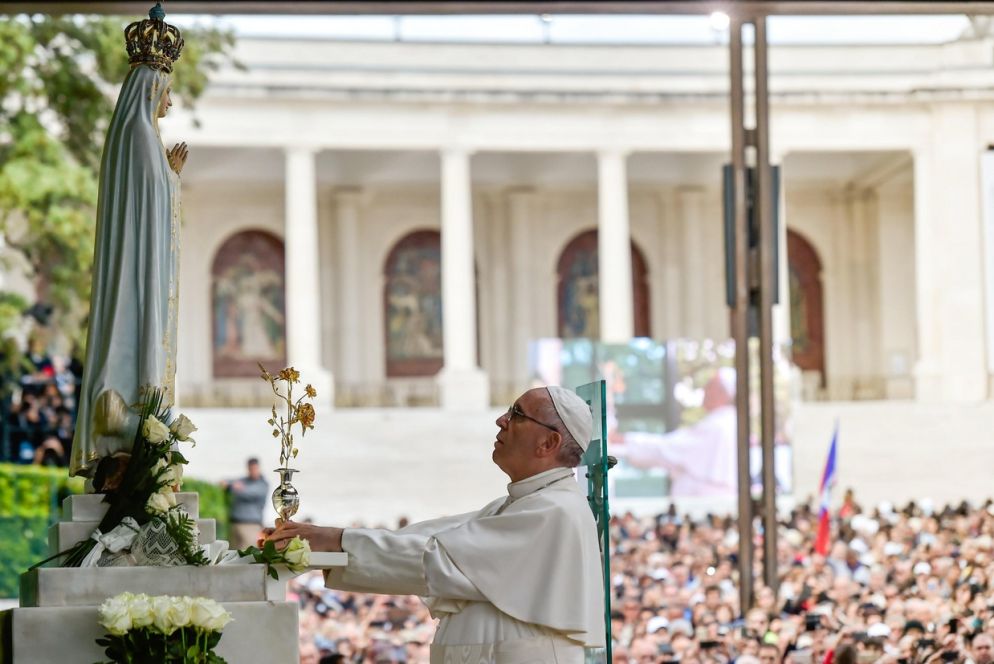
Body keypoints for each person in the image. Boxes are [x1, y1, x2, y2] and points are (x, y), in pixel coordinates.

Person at [268, 386, 606, 663]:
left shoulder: (555, 510)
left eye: (517, 414)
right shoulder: (521, 504)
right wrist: (331, 544)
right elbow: (431, 536)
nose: (501, 420)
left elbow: (439, 557)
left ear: (548, 444)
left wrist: (338, 541)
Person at [70, 4, 188, 484]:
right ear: (152, 88)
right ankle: (129, 436)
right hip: (139, 274)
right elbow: (152, 209)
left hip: (134, 266)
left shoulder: (131, 135)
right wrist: (173, 180)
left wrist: (168, 177)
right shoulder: (141, 136)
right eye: (167, 93)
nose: (170, 104)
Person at [612, 366, 738, 498]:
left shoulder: (717, 426)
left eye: (710, 386)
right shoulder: (726, 422)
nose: (705, 390)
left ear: (722, 393)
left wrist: (623, 440)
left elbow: (667, 448)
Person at [223, 457, 269, 550]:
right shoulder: (244, 480)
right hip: (235, 524)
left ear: (259, 468)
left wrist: (232, 487)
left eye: (255, 468)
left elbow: (248, 492)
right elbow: (226, 482)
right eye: (250, 469)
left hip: (250, 526)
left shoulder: (263, 484)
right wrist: (231, 485)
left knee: (248, 555)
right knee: (231, 555)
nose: (253, 471)